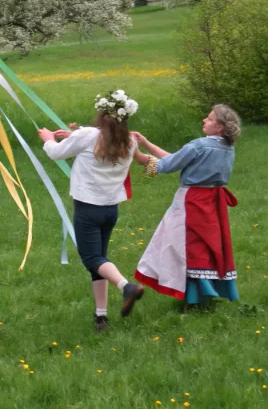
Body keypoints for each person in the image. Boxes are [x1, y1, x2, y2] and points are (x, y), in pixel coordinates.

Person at [39, 90, 145, 333]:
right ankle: (101, 317)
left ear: (101, 115)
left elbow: (56, 153)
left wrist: (48, 138)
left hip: (88, 210)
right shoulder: (129, 141)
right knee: (99, 262)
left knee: (93, 259)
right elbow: (96, 139)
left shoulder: (88, 136)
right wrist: (73, 135)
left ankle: (127, 287)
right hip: (110, 211)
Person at [132, 105, 241, 305]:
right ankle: (204, 293)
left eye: (209, 119)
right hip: (213, 202)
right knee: (206, 244)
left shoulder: (200, 145)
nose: (204, 121)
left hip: (191, 201)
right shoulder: (227, 148)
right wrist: (146, 142)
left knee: (182, 244)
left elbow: (168, 165)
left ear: (219, 127)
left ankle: (190, 294)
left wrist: (135, 154)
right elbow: (177, 159)